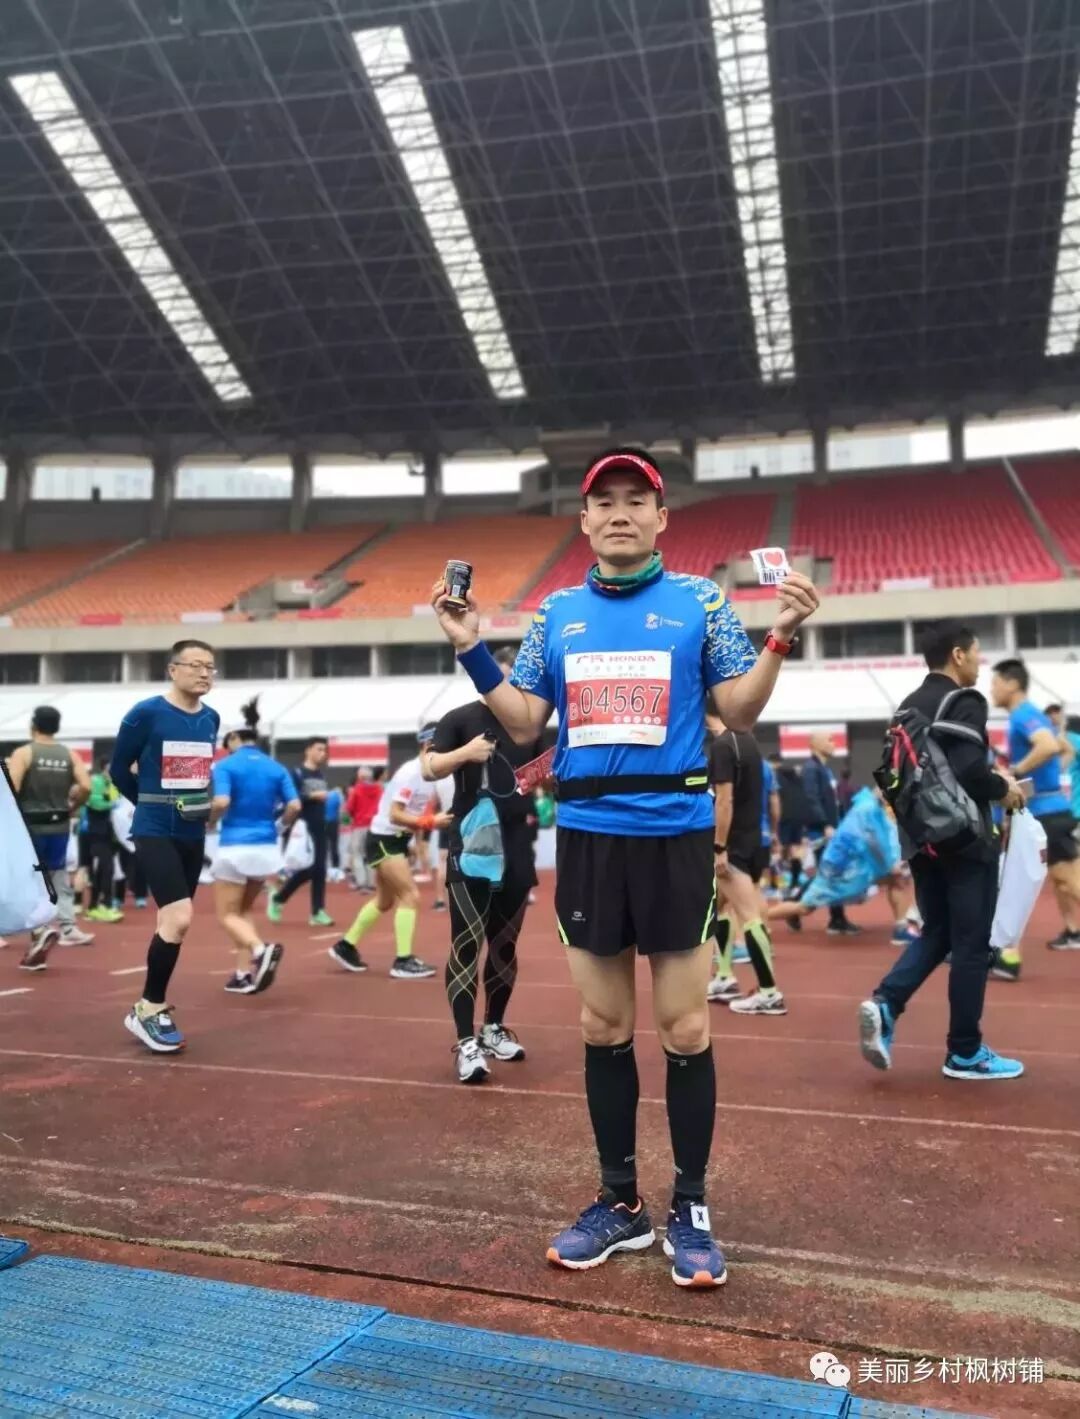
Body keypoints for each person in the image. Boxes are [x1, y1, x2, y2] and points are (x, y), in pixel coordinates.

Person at [432, 446, 819, 1287]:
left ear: (660, 517)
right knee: (602, 1026)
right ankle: (620, 1201)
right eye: (603, 499)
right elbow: (525, 722)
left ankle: (691, 1206)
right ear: (583, 520)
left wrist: (782, 634)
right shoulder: (557, 613)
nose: (619, 511)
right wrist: (470, 648)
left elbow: (737, 709)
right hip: (589, 839)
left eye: (635, 499)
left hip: (675, 836)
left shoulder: (700, 601)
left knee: (686, 1028)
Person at [858, 622, 1026, 1081]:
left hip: (921, 838)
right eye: (976, 653)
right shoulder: (964, 700)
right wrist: (1004, 789)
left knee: (938, 932)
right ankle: (965, 1051)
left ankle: (886, 1003)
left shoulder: (907, 705)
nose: (979, 663)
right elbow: (970, 770)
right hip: (965, 839)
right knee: (972, 944)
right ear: (958, 655)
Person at [423, 645, 541, 1083]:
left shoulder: (530, 724)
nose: (502, 683)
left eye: (509, 676)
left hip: (517, 845)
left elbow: (543, 776)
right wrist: (464, 754)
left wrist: (547, 777)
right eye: (495, 674)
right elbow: (429, 768)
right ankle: (465, 1041)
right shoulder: (459, 719)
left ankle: (493, 1028)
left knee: (505, 945)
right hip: (472, 844)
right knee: (466, 944)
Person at [110, 639, 221, 1053]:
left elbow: (200, 774)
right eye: (196, 665)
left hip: (192, 831)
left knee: (171, 923)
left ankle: (148, 1007)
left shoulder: (211, 718)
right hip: (154, 827)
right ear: (173, 670)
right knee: (180, 917)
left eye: (210, 667)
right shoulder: (146, 713)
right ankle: (149, 1007)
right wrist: (148, 806)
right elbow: (118, 769)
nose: (204, 673)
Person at [328, 726, 449, 979]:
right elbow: (395, 814)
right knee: (410, 895)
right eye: (446, 744)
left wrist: (411, 841)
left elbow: (411, 812)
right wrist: (429, 822)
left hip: (396, 839)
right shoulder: (410, 773)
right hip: (384, 839)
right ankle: (403, 960)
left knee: (384, 901)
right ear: (428, 746)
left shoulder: (431, 775)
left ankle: (345, 946)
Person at [210, 699, 300, 995]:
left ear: (235, 738)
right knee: (243, 910)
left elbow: (221, 802)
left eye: (226, 742)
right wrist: (279, 827)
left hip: (234, 848)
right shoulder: (276, 767)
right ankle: (242, 974)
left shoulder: (225, 766)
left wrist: (208, 822)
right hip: (266, 850)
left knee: (227, 915)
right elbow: (294, 806)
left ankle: (261, 951)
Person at [989, 664, 1080, 956]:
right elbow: (1064, 749)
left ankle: (1005, 953)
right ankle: (1071, 932)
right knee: (1061, 881)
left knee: (1069, 879)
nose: (992, 690)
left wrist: (1016, 771)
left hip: (1047, 813)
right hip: (1044, 809)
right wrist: (1048, 776)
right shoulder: (1029, 715)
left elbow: (1049, 746)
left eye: (995, 683)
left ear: (1012, 684)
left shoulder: (1023, 714)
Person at [706, 717, 786, 1015]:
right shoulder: (748, 741)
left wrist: (719, 847)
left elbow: (724, 801)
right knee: (719, 907)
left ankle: (769, 992)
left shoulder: (723, 746)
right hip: (752, 842)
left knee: (749, 916)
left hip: (733, 847)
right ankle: (724, 976)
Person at [6, 706, 93, 968]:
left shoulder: (25, 753)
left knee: (24, 881)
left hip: (30, 826)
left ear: (33, 725)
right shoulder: (69, 755)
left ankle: (40, 930)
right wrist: (73, 807)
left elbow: (11, 788)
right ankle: (53, 931)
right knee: (53, 879)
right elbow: (86, 786)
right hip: (59, 826)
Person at [268, 737, 333, 928]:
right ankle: (279, 898)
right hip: (303, 827)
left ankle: (317, 911)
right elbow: (291, 799)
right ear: (308, 750)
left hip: (320, 826)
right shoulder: (296, 773)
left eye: (324, 750)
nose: (323, 753)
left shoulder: (320, 775)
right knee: (311, 868)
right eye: (319, 749)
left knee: (320, 869)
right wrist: (313, 795)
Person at [801, 733, 859, 935]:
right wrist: (825, 824)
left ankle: (836, 917)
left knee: (830, 874)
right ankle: (835, 919)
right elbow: (811, 799)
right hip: (822, 831)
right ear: (815, 744)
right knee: (830, 874)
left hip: (832, 828)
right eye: (829, 740)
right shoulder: (811, 769)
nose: (834, 744)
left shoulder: (824, 769)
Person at [85, 759, 122, 923]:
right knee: (107, 869)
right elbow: (95, 803)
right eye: (109, 770)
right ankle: (105, 905)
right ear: (103, 769)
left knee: (102, 871)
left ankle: (94, 907)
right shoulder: (96, 782)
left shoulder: (112, 784)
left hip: (109, 835)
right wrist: (112, 804)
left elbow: (118, 802)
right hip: (96, 834)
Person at [346, 766, 383, 891]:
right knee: (371, 854)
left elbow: (350, 808)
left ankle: (361, 882)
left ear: (360, 777)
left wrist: (353, 816)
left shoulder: (357, 789)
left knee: (357, 854)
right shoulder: (379, 789)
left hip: (359, 825)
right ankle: (371, 883)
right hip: (374, 826)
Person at [325, 783, 344, 882]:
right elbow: (340, 810)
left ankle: (325, 870)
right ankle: (335, 868)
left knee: (323, 847)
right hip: (333, 823)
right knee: (334, 846)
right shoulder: (337, 796)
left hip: (323, 822)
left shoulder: (324, 795)